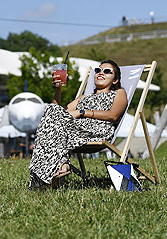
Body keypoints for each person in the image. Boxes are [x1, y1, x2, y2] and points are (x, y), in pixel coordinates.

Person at [28, 60, 127, 190]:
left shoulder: (118, 93)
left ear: (115, 80)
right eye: (98, 70)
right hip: (74, 131)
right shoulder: (83, 97)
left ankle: (49, 173)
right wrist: (58, 89)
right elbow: (58, 113)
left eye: (107, 71)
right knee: (51, 109)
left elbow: (113, 115)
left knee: (52, 116)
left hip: (96, 132)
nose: (101, 73)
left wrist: (82, 112)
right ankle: (58, 168)